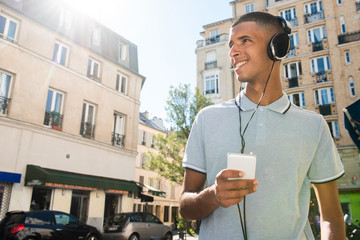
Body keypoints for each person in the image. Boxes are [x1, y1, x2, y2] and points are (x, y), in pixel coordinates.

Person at [179, 12, 346, 239]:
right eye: (231, 45)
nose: (232, 52)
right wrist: (213, 195)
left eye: (245, 40)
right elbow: (185, 207)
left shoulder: (314, 126)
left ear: (277, 47)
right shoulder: (206, 118)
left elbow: (331, 217)